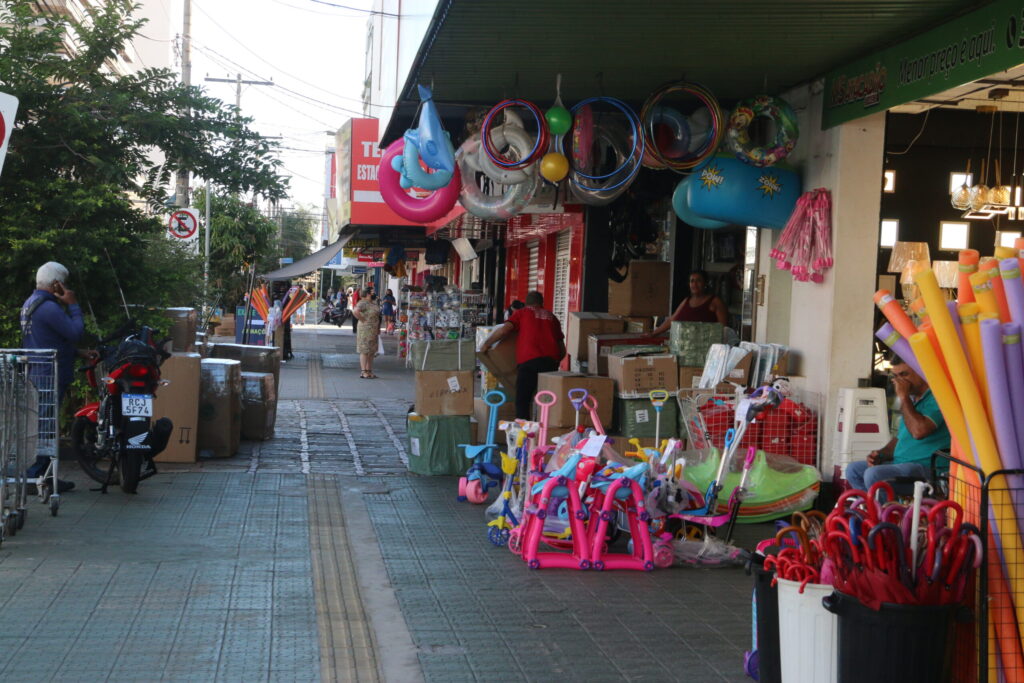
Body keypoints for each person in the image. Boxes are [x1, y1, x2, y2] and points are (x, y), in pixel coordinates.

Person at [20, 262, 97, 492]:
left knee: (44, 423)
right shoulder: (49, 308)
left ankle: (45, 474)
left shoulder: (31, 303)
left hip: (38, 372)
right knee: (45, 425)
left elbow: (47, 339)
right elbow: (75, 332)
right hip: (49, 375)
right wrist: (73, 305)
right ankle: (37, 476)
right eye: (64, 283)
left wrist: (78, 353)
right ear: (56, 284)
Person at [845, 358, 951, 492]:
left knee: (874, 475)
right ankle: (875, 509)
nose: (899, 381)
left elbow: (918, 432)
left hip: (927, 467)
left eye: (904, 374)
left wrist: (903, 397)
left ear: (921, 372)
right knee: (853, 470)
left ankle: (882, 511)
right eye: (895, 376)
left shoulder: (938, 397)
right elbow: (900, 439)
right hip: (901, 463)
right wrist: (881, 453)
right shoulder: (911, 400)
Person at [479, 291, 565, 420]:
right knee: (546, 399)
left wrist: (486, 344)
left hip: (529, 361)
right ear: (541, 303)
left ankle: (524, 433)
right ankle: (546, 429)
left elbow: (504, 330)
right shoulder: (551, 316)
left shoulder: (522, 313)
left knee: (523, 400)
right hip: (551, 362)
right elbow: (562, 349)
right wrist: (555, 361)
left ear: (526, 303)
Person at [652, 270, 728, 335]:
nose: (694, 284)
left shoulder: (715, 302)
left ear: (705, 283)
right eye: (692, 281)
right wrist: (653, 334)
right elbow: (671, 320)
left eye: (698, 281)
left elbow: (724, 329)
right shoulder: (686, 301)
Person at [352, 287, 381, 379]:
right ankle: (363, 371)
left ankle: (369, 370)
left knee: (371, 351)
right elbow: (355, 311)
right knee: (364, 350)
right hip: (365, 329)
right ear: (368, 293)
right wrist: (363, 320)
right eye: (372, 292)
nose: (374, 293)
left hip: (373, 329)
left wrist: (378, 327)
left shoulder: (373, 303)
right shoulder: (363, 302)